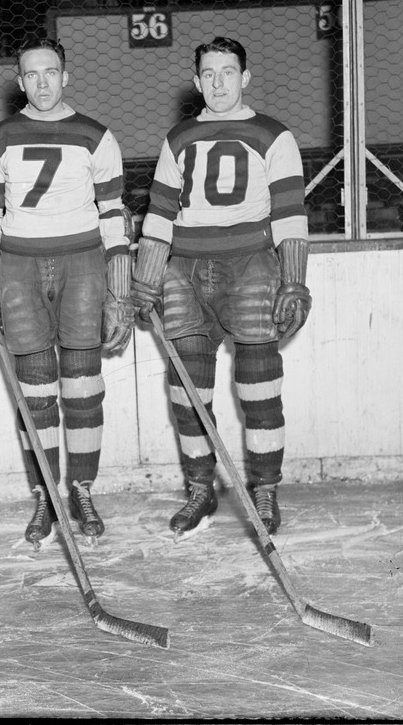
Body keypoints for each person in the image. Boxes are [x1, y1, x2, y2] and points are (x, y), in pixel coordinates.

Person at [130, 36, 311, 540]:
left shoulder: (274, 136)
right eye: (208, 74)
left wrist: (293, 280)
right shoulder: (179, 137)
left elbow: (290, 215)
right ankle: (200, 488)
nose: (218, 83)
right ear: (196, 81)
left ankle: (265, 488)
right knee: (189, 393)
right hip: (183, 270)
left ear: (245, 77)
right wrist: (146, 278)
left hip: (252, 266)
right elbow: (161, 213)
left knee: (259, 387)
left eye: (228, 72)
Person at [0, 37, 134, 547]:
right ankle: (45, 494)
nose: (42, 83)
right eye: (32, 74)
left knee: (83, 385)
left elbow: (114, 217)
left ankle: (82, 489)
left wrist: (120, 292)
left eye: (51, 72)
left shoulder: (96, 136)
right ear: (19, 81)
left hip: (82, 263)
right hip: (18, 266)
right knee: (35, 388)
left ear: (67, 76)